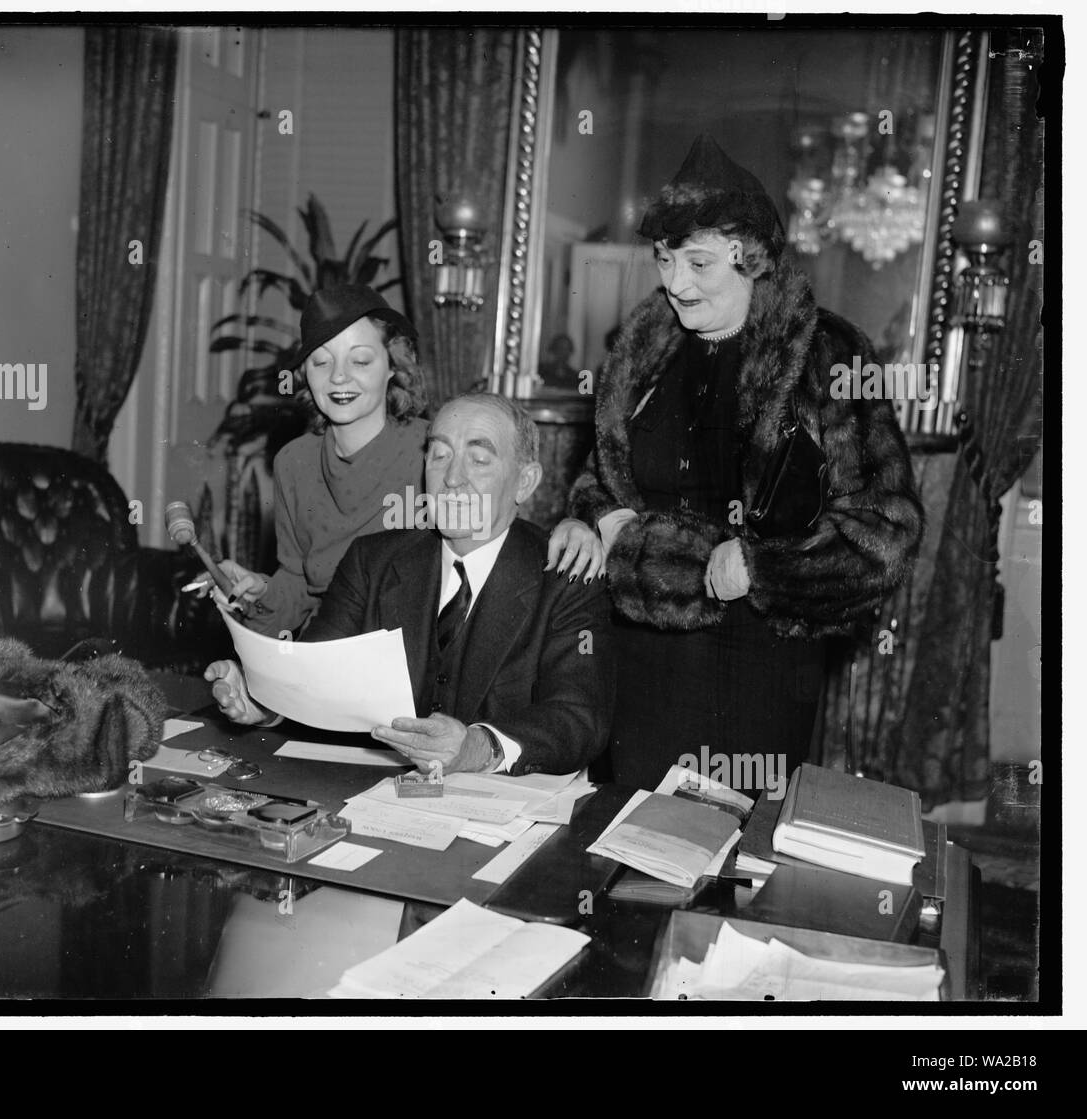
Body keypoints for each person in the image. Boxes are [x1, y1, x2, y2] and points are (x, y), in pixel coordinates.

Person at [568, 134, 923, 792]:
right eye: (665, 260)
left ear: (752, 258)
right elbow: (598, 477)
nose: (675, 283)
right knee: (624, 852)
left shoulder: (827, 355)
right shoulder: (641, 354)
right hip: (641, 661)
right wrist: (601, 514)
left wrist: (761, 568)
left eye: (699, 263)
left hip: (760, 666)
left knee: (730, 869)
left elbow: (885, 532)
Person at [206, 392, 616, 777]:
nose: (452, 478)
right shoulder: (373, 560)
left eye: (478, 460)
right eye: (439, 456)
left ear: (525, 482)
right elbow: (317, 675)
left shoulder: (564, 575)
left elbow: (580, 718)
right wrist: (264, 699)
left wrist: (476, 748)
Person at [211, 284, 603, 639]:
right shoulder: (293, 462)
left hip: (418, 656)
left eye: (360, 361)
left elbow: (501, 534)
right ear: (305, 374)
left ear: (393, 367)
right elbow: (297, 581)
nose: (339, 378)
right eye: (321, 362)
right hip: (327, 651)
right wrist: (257, 590)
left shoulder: (435, 452)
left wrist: (570, 528)